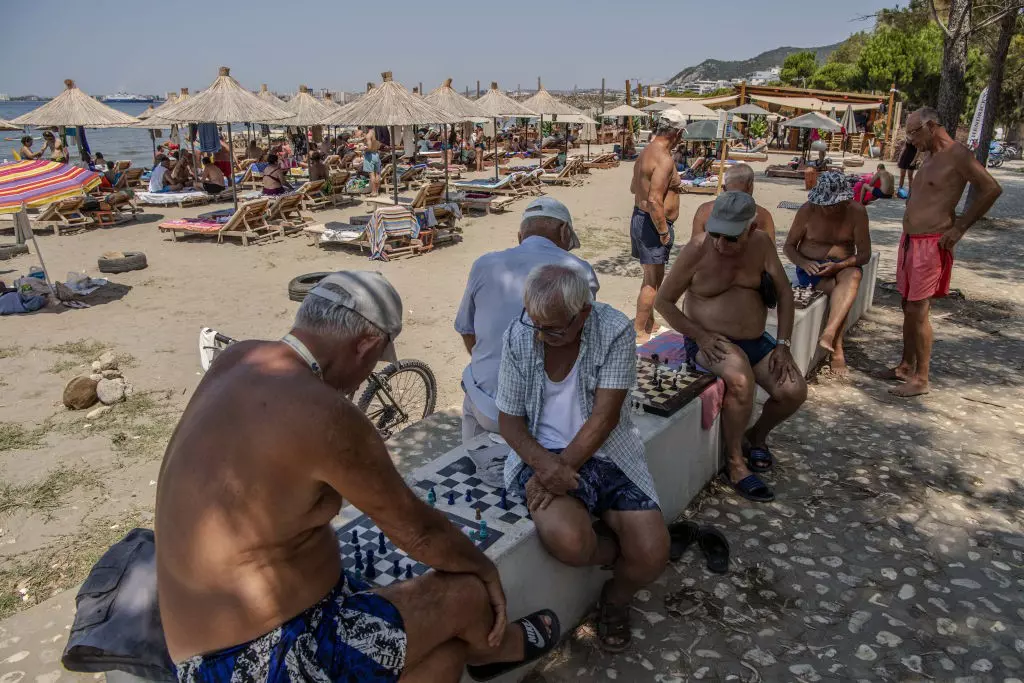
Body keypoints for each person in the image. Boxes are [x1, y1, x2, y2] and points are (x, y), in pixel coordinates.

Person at [157, 271, 560, 683]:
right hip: (265, 660)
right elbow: (420, 533)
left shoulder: (237, 356)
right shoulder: (324, 413)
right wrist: (486, 570)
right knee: (466, 595)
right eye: (375, 361)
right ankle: (500, 648)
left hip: (200, 657)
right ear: (365, 345)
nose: (368, 374)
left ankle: (478, 651)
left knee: (444, 659)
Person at [497, 264, 668, 653]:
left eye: (554, 328)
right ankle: (615, 547)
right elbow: (508, 421)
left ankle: (616, 598)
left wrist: (563, 468)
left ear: (583, 314)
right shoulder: (520, 334)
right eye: (536, 324)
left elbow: (605, 417)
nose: (542, 335)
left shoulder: (614, 328)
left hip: (608, 452)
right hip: (541, 454)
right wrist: (546, 466)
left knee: (653, 557)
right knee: (571, 543)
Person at [655, 192, 806, 503]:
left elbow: (785, 294)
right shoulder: (698, 249)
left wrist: (783, 344)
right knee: (739, 379)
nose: (721, 245)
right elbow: (663, 302)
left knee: (793, 391)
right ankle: (735, 462)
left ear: (749, 229)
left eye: (731, 238)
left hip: (755, 341)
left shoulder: (761, 243)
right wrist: (699, 335)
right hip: (708, 340)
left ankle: (756, 437)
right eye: (716, 234)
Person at [455, 198, 598, 483]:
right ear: (564, 232)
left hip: (489, 408)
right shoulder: (579, 271)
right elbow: (583, 346)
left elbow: (467, 331)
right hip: (544, 415)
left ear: (521, 236)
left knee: (473, 380)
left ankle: (474, 466)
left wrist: (499, 369)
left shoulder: (484, 264)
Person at [877, 107, 1003, 397]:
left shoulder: (957, 154)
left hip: (931, 242)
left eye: (912, 133)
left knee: (919, 309)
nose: (910, 140)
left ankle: (921, 378)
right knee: (907, 305)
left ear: (931, 126)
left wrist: (959, 227)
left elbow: (991, 188)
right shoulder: (929, 155)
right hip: (911, 240)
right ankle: (905, 366)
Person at [784, 171, 871, 376]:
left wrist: (839, 266)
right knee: (838, 293)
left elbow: (864, 255)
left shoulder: (856, 212)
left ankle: (829, 333)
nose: (829, 209)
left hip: (843, 266)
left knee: (853, 277)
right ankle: (837, 347)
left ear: (844, 201)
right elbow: (788, 247)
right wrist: (804, 262)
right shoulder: (808, 211)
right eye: (826, 205)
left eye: (834, 205)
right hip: (812, 269)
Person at [629, 117, 686, 343]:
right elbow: (654, 200)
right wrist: (663, 231)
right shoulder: (664, 158)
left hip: (641, 218)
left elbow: (635, 187)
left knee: (649, 276)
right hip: (653, 223)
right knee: (653, 281)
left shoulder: (646, 151)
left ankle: (649, 323)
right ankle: (639, 330)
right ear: (677, 133)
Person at [690, 163, 776, 242]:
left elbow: (695, 246)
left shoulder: (704, 210)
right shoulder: (763, 216)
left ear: (724, 187)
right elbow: (770, 252)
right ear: (750, 186)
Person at [363, 127, 382, 195]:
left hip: (370, 155)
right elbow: (379, 145)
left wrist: (363, 148)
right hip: (376, 154)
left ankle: (373, 192)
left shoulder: (368, 135)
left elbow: (369, 147)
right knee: (377, 173)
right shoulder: (376, 133)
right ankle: (376, 191)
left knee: (371, 174)